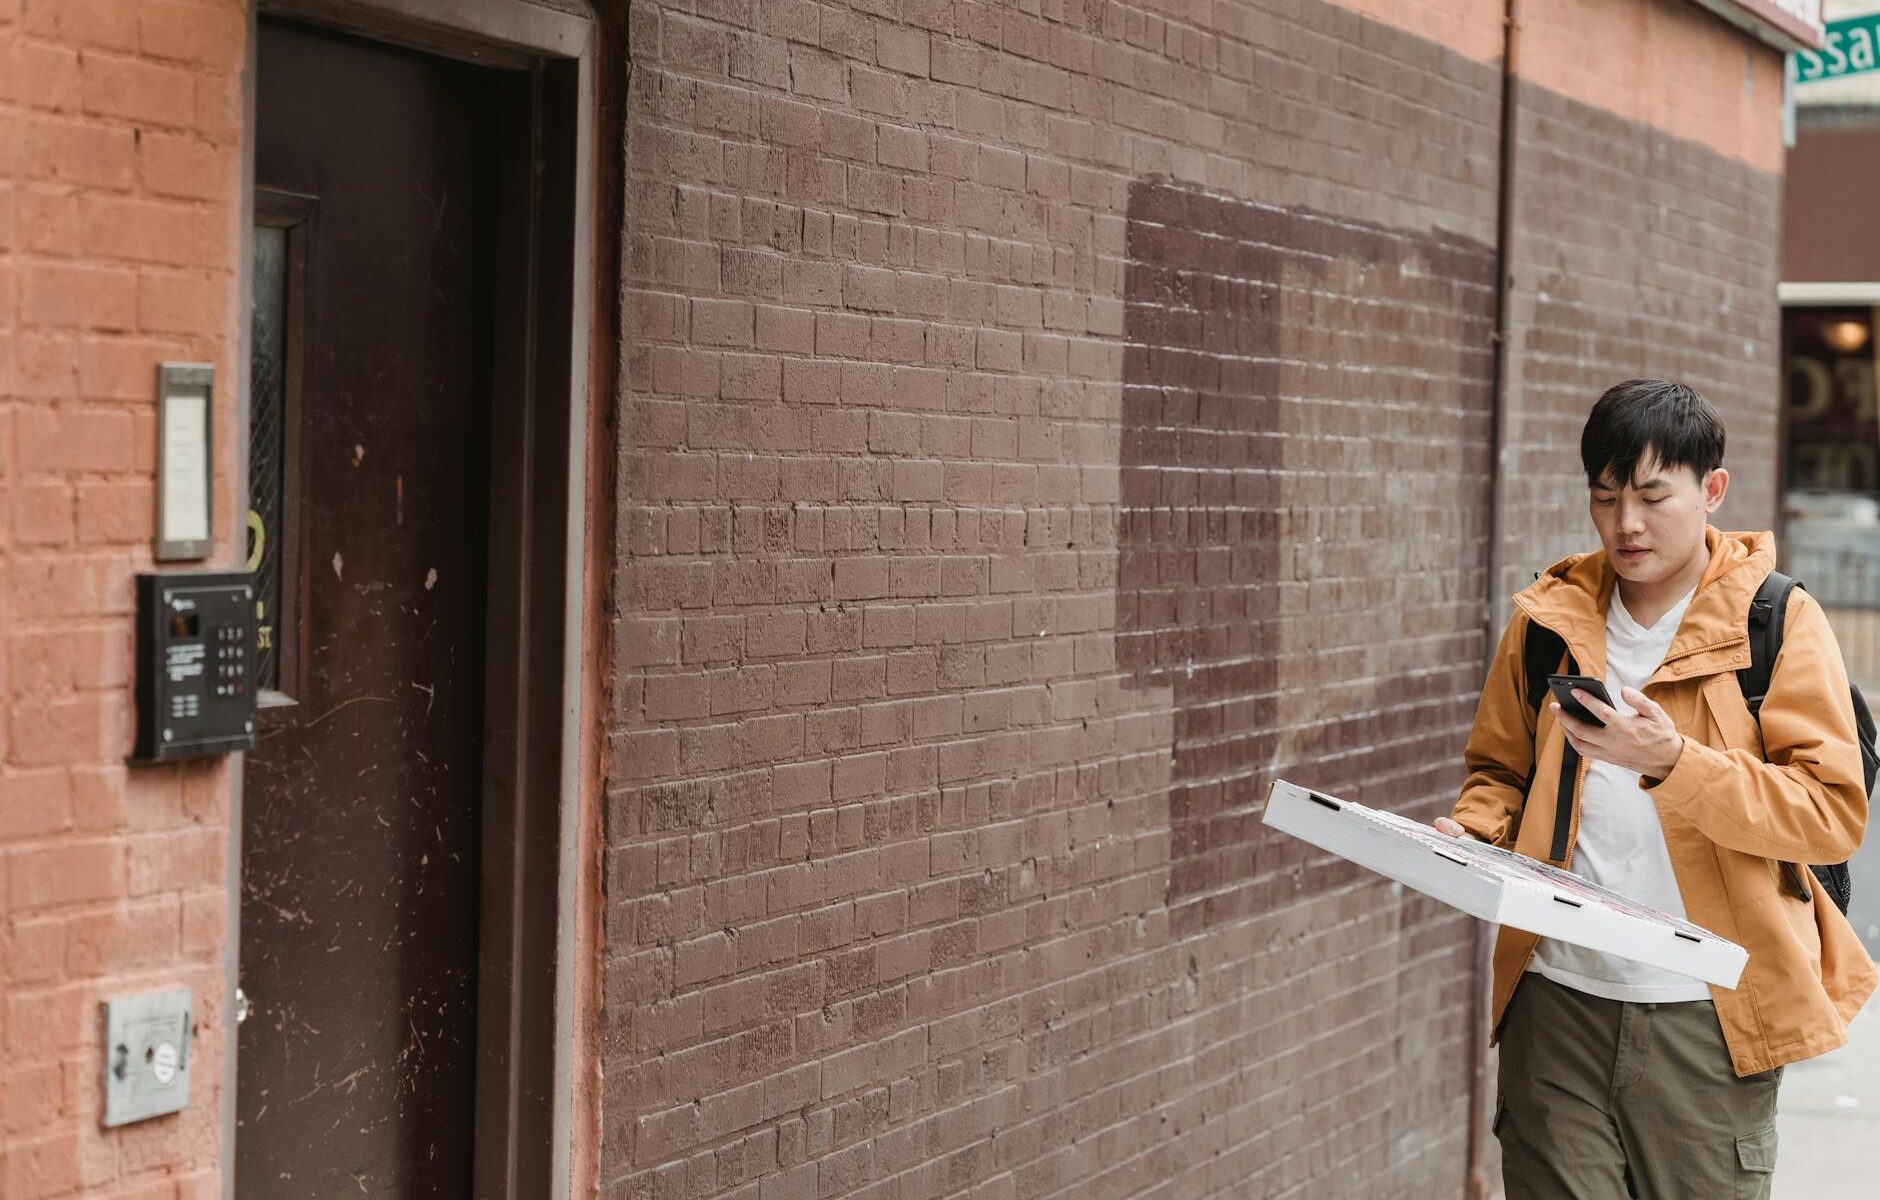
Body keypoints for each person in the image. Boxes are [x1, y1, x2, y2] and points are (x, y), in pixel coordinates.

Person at [1436, 378, 1875, 1200]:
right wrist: (1473, 830)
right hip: (1555, 999)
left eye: (1650, 496)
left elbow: (1829, 813)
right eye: (1605, 498)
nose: (1625, 524)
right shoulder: (1549, 620)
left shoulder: (1776, 622)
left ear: (1712, 490)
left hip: (1707, 1014)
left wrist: (1675, 763)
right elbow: (1500, 772)